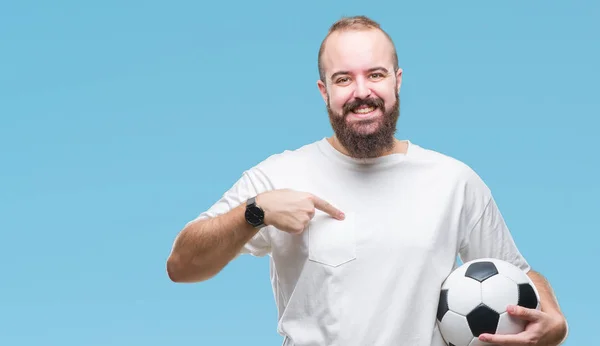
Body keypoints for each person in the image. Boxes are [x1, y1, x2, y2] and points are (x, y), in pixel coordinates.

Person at [166, 15, 568, 346]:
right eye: (343, 79)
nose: (362, 92)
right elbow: (182, 265)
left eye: (375, 75)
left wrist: (555, 321)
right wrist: (256, 212)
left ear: (397, 80)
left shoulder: (453, 181)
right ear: (324, 91)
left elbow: (516, 271)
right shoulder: (280, 175)